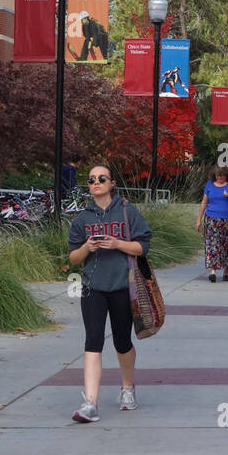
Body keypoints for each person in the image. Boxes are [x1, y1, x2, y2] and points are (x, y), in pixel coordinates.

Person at [66, 165, 151, 423]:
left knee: (122, 342)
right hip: (93, 287)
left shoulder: (127, 211)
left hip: (123, 287)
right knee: (93, 341)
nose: (96, 183)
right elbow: (73, 258)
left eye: (101, 178)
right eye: (91, 180)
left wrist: (116, 244)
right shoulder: (83, 219)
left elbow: (141, 247)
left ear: (112, 183)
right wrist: (87, 247)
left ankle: (127, 388)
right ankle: (90, 403)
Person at [197, 166, 228, 283]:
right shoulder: (210, 184)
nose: (220, 178)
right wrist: (198, 219)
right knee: (213, 245)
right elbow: (204, 202)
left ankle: (226, 271)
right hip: (212, 219)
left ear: (226, 175)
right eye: (218, 176)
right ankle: (213, 271)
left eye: (222, 176)